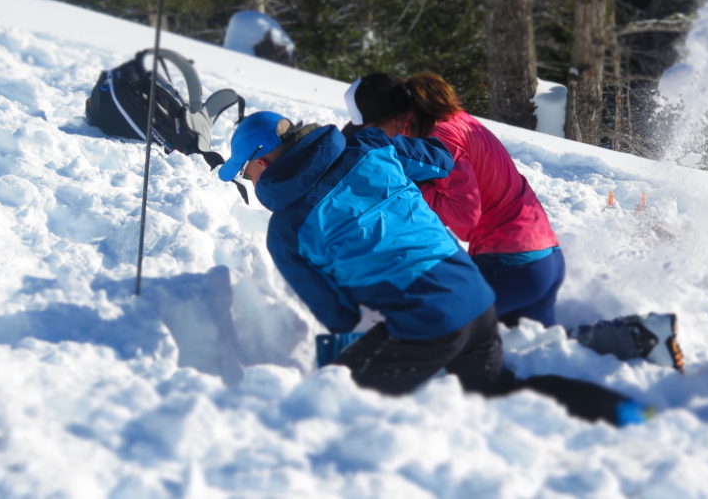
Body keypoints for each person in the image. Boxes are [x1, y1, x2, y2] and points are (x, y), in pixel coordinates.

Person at [217, 110, 654, 424]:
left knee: (334, 406)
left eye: (245, 171)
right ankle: (629, 412)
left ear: (262, 162)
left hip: (425, 322)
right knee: (496, 391)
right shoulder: (368, 145)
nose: (249, 180)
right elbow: (439, 160)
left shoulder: (287, 231)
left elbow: (338, 315)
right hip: (476, 296)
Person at [344, 72, 684, 371]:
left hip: (510, 262)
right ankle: (642, 338)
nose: (378, 138)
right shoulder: (453, 120)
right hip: (540, 257)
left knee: (438, 332)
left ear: (396, 118)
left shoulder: (441, 137)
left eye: (374, 129)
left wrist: (412, 186)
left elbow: (464, 217)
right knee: (539, 349)